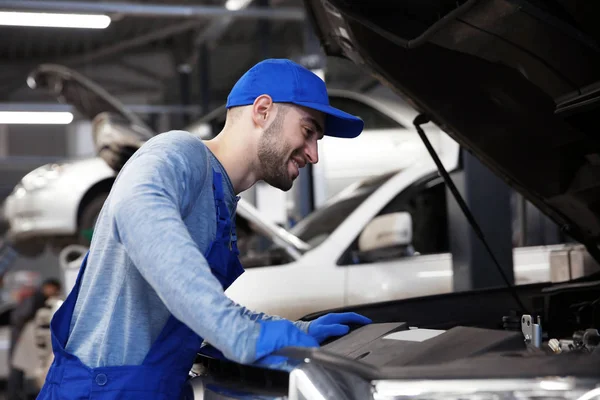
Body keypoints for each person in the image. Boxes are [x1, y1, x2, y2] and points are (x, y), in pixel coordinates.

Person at [37, 59, 371, 400]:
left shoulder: (221, 198)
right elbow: (135, 204)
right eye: (308, 130)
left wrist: (297, 330)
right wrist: (237, 334)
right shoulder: (179, 152)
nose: (314, 154)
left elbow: (195, 308)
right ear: (263, 110)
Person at [8, 278, 61, 400]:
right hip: (26, 339)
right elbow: (19, 318)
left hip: (36, 341)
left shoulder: (47, 301)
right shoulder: (36, 300)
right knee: (21, 370)